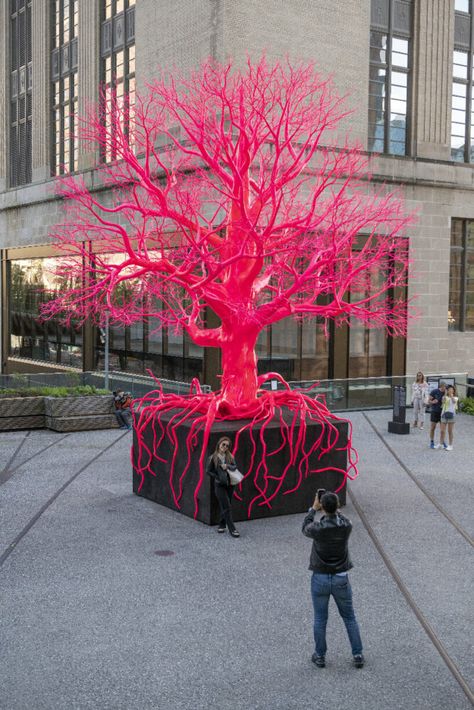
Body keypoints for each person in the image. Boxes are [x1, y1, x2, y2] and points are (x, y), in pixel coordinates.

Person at [302, 490, 364, 669]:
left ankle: (320, 656)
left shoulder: (317, 529)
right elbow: (344, 518)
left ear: (322, 507)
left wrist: (313, 509)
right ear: (337, 507)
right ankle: (357, 653)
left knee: (320, 619)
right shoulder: (346, 526)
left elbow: (305, 527)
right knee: (349, 617)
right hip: (341, 578)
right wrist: (334, 507)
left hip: (320, 578)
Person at [206, 437, 240, 538]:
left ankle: (221, 524)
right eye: (223, 444)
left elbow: (235, 467)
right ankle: (232, 529)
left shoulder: (230, 456)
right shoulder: (213, 457)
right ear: (219, 444)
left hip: (230, 484)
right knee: (227, 506)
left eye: (227, 445)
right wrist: (218, 477)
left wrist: (228, 466)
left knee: (227, 505)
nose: (225, 447)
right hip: (219, 485)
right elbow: (208, 471)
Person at [428, 380, 447, 449]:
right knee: (433, 428)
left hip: (443, 413)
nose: (444, 388)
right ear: (440, 386)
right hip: (435, 412)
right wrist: (432, 402)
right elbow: (428, 401)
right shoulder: (434, 391)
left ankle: (442, 442)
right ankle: (432, 441)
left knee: (442, 430)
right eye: (443, 387)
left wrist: (446, 394)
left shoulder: (446, 393)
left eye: (445, 387)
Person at [439, 385, 458, 451]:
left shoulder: (455, 398)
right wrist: (445, 393)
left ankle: (450, 445)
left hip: (451, 415)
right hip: (444, 415)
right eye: (449, 389)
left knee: (450, 431)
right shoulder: (444, 397)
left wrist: (451, 395)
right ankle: (441, 444)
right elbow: (443, 401)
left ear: (453, 390)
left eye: (451, 389)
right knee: (442, 431)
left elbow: (454, 402)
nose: (450, 390)